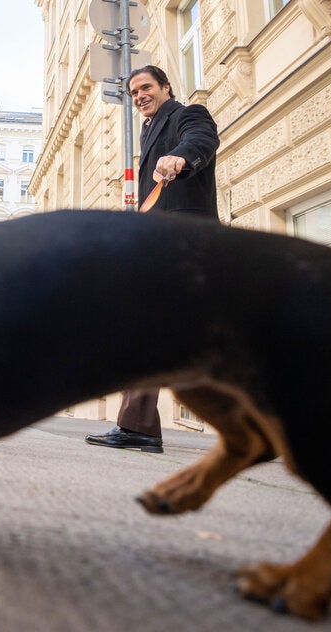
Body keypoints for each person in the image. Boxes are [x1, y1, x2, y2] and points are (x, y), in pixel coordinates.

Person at [85, 65, 220, 453]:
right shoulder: (148, 130)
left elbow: (200, 139)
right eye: (133, 92)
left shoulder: (186, 114)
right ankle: (137, 427)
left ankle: (138, 428)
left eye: (146, 87)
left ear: (165, 87)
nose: (140, 95)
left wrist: (180, 157)